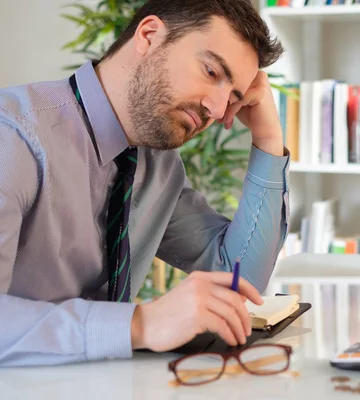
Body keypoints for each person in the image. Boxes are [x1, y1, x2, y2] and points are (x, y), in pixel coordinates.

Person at [0, 0, 290, 367]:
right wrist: (141, 323)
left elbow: (239, 278)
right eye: (211, 71)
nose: (218, 110)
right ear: (149, 36)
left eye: (233, 97)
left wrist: (267, 138)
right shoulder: (12, 137)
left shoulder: (158, 166)